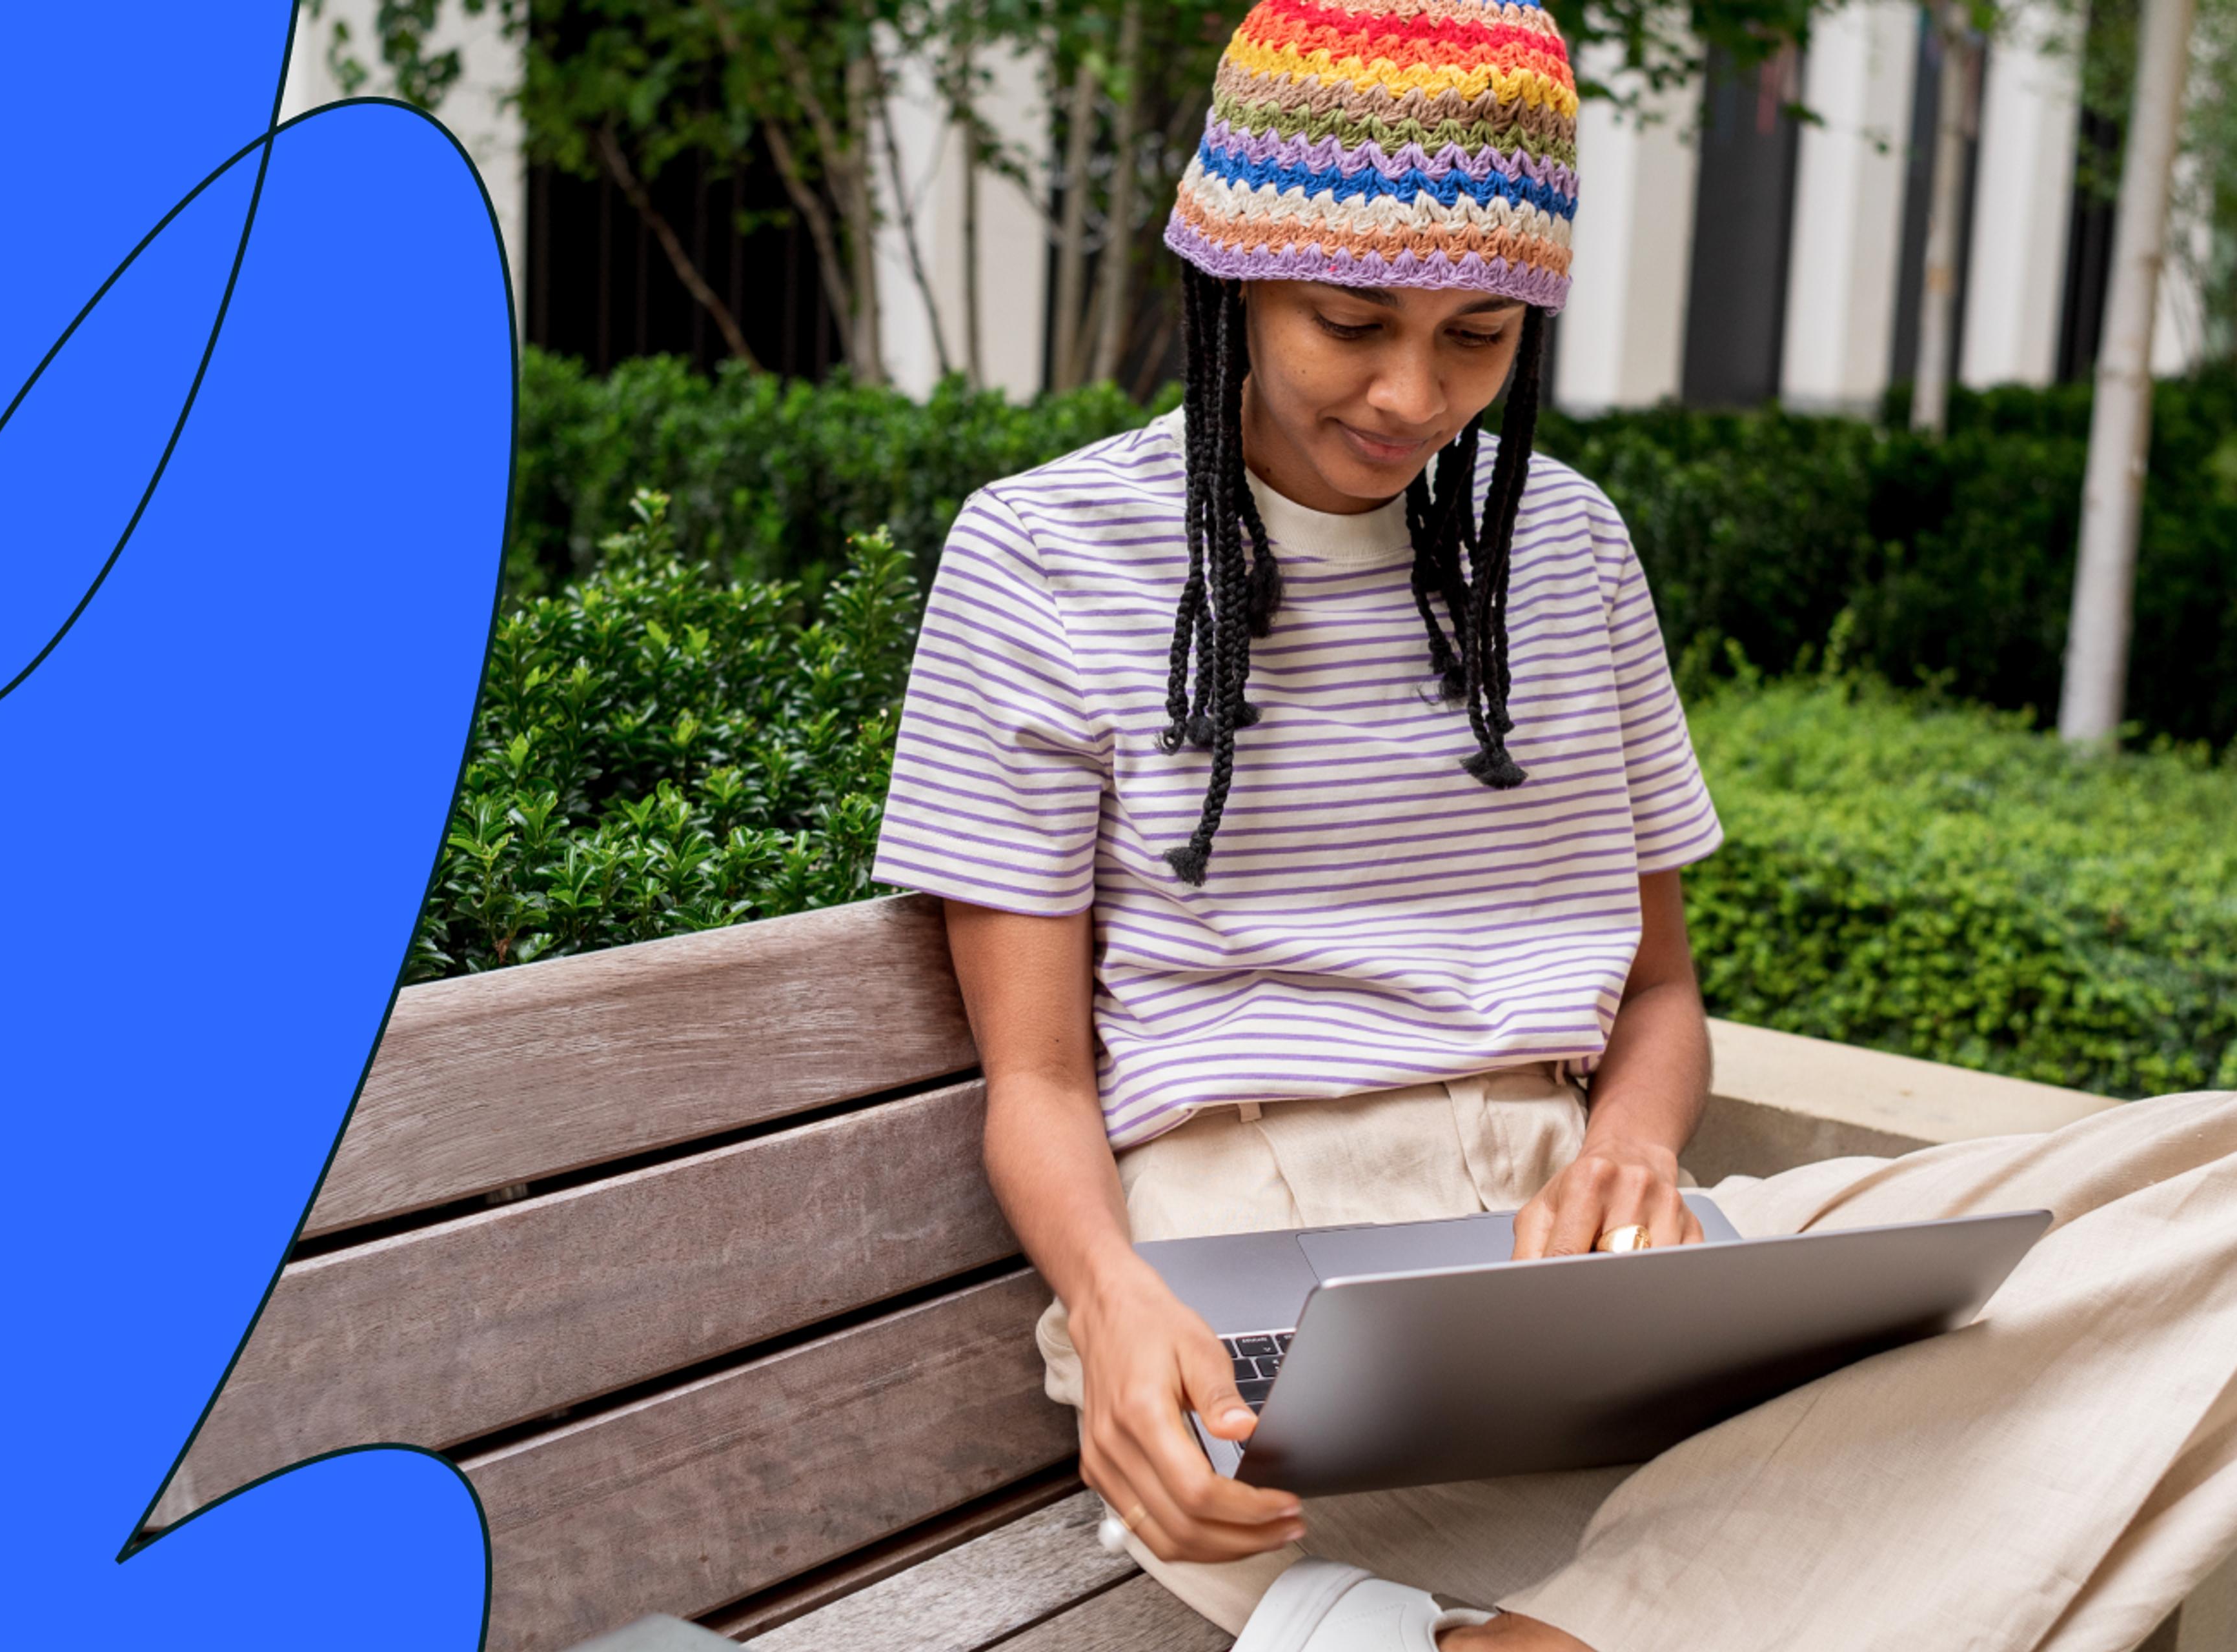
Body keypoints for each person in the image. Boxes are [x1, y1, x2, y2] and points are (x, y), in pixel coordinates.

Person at [867, 3, 2237, 1647]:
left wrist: (1634, 1148)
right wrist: (1109, 1299)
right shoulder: (1039, 555)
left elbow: (1657, 997)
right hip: (1249, 1259)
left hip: (1582, 1235)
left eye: (1480, 335)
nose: (1409, 393)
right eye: (1352, 318)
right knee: (1967, 1450)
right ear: (1230, 271)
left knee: (2209, 1185)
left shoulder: (1568, 549)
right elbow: (1038, 1077)